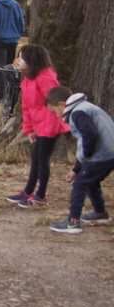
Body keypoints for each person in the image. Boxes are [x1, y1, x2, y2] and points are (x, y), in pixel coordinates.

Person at [4, 45, 69, 208]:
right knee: (35, 159)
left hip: (50, 126)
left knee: (42, 160)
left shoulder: (46, 78)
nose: (18, 60)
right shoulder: (27, 79)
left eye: (22, 57)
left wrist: (60, 126)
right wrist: (29, 129)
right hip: (38, 126)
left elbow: (56, 104)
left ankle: (40, 195)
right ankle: (28, 191)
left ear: (32, 61)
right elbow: (26, 107)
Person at [46, 87, 114, 234]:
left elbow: (90, 135)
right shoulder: (85, 107)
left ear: (62, 104)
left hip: (103, 154)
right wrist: (77, 168)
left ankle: (73, 222)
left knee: (80, 183)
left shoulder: (77, 113)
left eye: (55, 111)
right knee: (90, 180)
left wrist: (87, 158)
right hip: (110, 153)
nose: (57, 115)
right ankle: (100, 213)